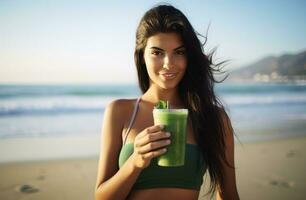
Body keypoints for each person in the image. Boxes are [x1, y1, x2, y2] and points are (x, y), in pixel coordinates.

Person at [95, 4, 240, 200]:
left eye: (179, 52)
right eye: (157, 52)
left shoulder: (213, 118)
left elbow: (228, 195)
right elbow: (101, 197)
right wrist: (135, 161)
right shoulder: (120, 111)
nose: (168, 63)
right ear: (142, 56)